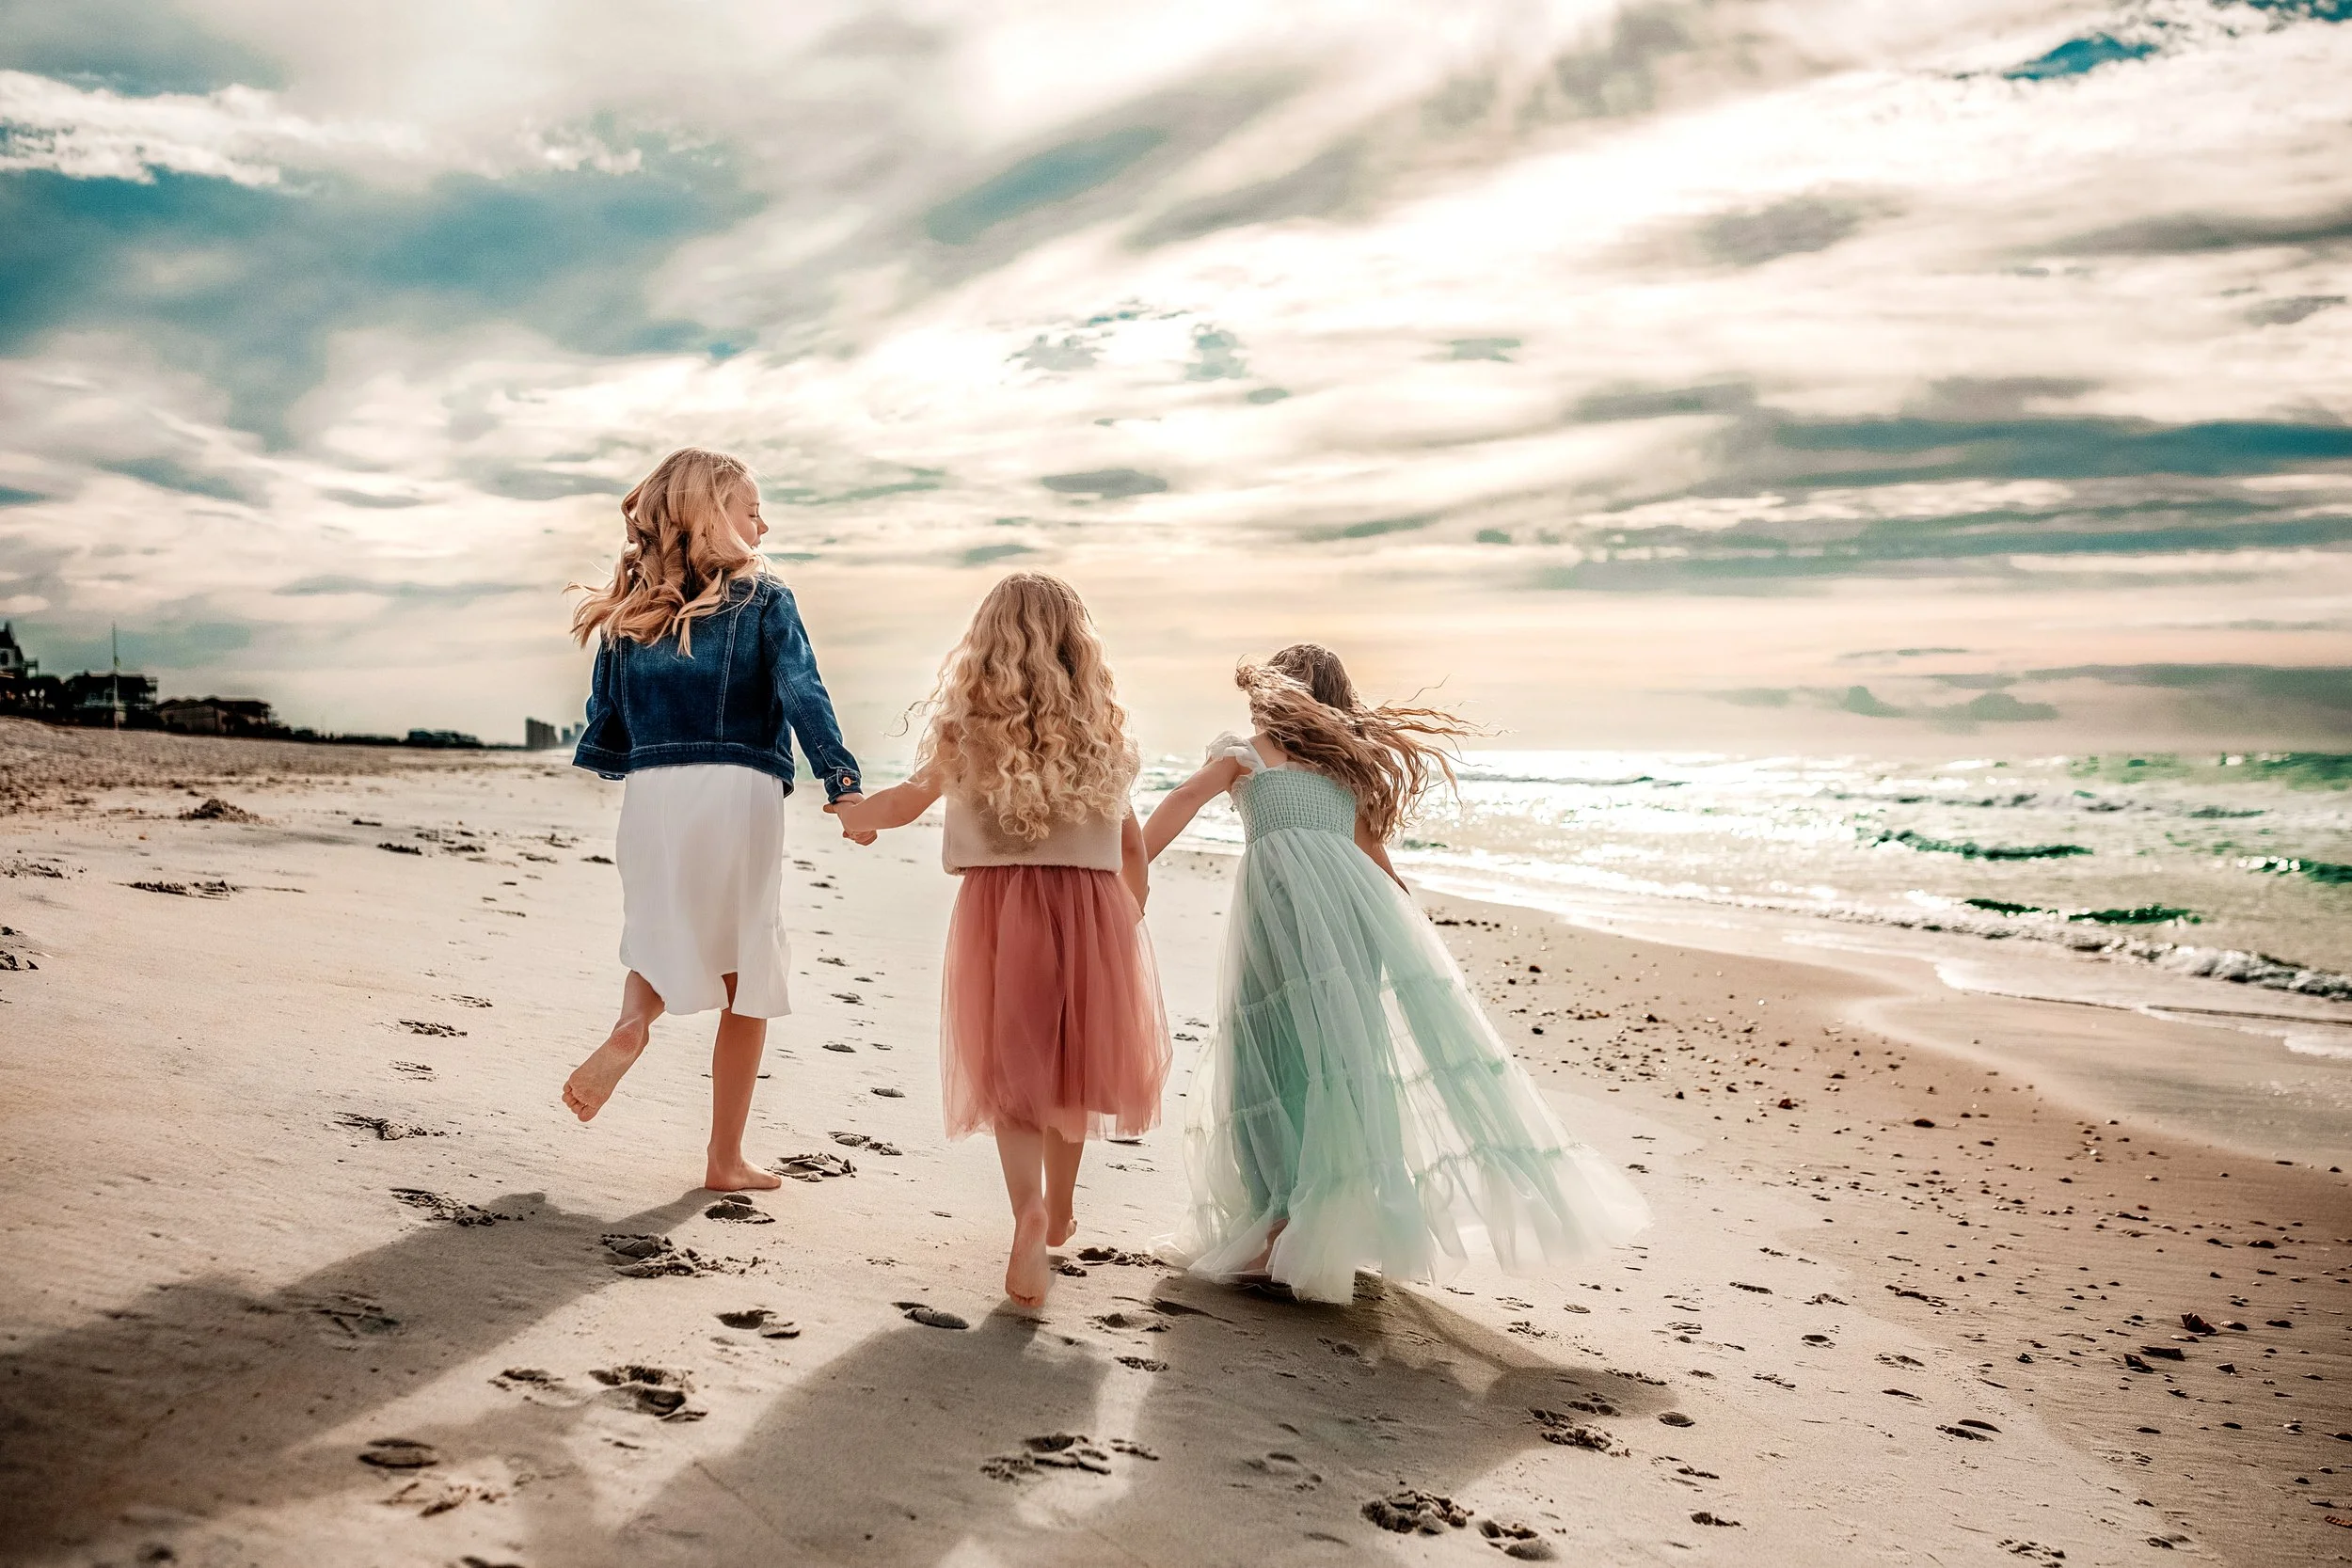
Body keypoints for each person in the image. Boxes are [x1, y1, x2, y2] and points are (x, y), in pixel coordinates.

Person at [1143, 643, 1649, 1304]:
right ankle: (1308, 1219)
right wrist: (1403, 930)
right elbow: (1376, 863)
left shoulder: (1245, 753)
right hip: (1348, 925)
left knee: (1264, 1060)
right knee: (1336, 1065)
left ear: (1274, 693)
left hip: (1284, 923)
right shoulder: (1339, 774)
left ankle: (1282, 1220)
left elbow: (1183, 797)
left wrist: (1132, 865)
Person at [832, 574, 1169, 1307]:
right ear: (1079, 650)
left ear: (984, 647)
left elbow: (907, 801)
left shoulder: (964, 731)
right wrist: (1126, 920)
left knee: (1012, 1074)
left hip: (995, 909)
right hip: (1088, 911)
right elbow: (1133, 845)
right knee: (1072, 1073)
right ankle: (1064, 1202)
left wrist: (857, 814)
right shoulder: (1101, 735)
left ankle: (1028, 1210)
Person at [558, 447, 866, 1195]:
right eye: (753, 506)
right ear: (713, 516)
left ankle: (632, 1026)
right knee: (746, 970)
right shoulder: (764, 598)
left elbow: (608, 719)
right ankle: (724, 1157)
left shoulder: (630, 614)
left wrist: (623, 759)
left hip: (655, 790)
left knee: (660, 933)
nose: (765, 520)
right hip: (740, 789)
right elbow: (803, 691)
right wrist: (842, 782)